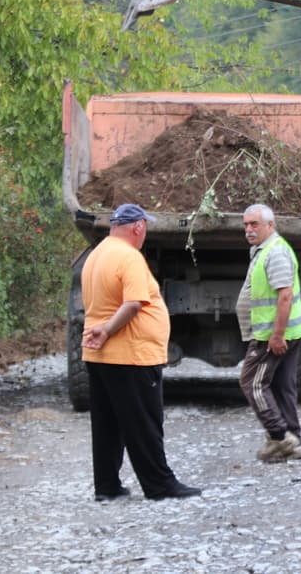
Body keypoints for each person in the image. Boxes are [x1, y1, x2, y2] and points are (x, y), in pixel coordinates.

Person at [81, 203, 202, 500]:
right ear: (138, 227)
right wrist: (108, 330)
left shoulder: (96, 255)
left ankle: (107, 487)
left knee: (107, 424)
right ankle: (160, 486)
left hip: (100, 356)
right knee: (144, 422)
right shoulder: (129, 257)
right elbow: (133, 303)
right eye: (145, 227)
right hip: (130, 354)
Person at [236, 204, 301, 462]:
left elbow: (285, 296)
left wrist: (277, 336)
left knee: (252, 382)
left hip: (272, 334)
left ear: (270, 225)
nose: (249, 229)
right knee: (282, 385)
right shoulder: (263, 249)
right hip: (283, 331)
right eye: (246, 224)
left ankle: (280, 437)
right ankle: (294, 440)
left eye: (254, 224)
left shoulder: (275, 252)